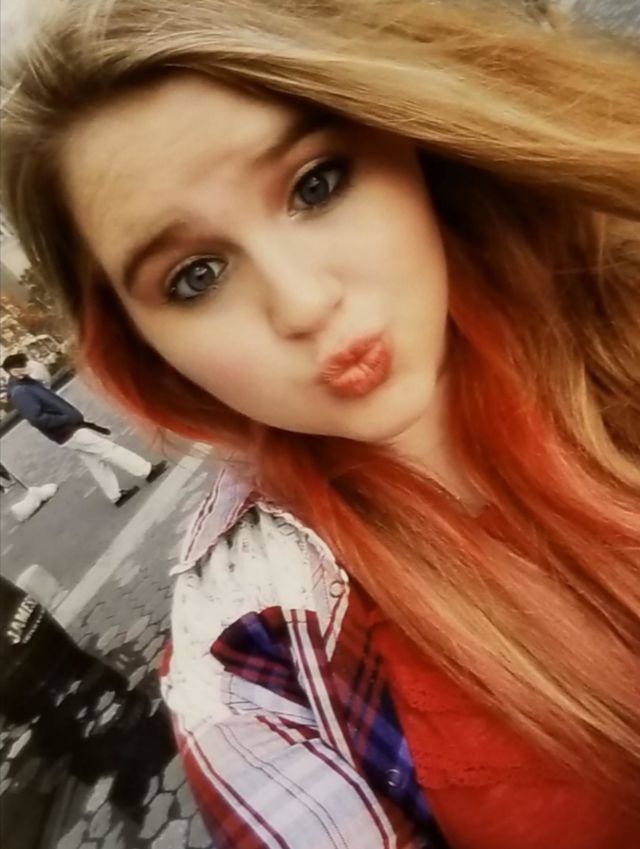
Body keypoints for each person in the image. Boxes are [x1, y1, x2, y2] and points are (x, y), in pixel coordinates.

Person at [1, 1, 638, 847]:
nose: (304, 303)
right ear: (141, 346)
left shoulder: (614, 282)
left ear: (411, 132)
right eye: (196, 276)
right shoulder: (252, 665)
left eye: (317, 184)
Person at [2, 352, 167, 506]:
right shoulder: (21, 392)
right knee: (108, 449)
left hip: (66, 431)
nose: (31, 366)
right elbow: (37, 418)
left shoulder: (25, 384)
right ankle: (147, 471)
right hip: (68, 430)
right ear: (15, 371)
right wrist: (66, 419)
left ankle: (115, 496)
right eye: (26, 364)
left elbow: (45, 387)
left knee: (95, 461)